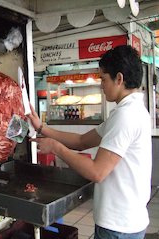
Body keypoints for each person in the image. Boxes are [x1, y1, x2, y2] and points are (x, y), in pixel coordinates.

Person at [28, 45, 152, 239]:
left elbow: (97, 172)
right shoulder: (131, 111)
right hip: (126, 221)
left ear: (119, 79)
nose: (101, 85)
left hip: (118, 226)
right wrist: (42, 128)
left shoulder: (126, 116)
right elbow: (81, 141)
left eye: (103, 79)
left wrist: (56, 148)